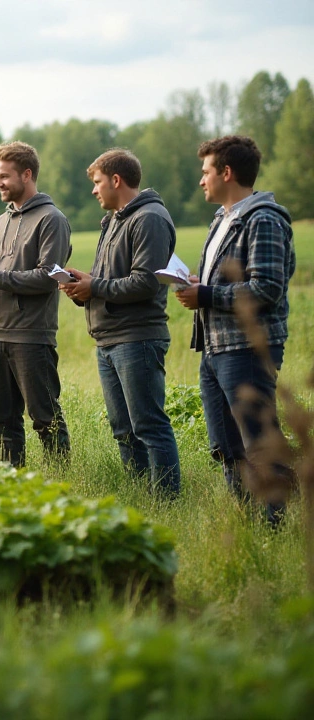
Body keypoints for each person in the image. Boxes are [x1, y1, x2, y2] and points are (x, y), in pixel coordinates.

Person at [175, 135, 295, 523]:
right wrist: (198, 283)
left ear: (227, 172)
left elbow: (267, 287)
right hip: (216, 348)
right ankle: (245, 523)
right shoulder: (223, 219)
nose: (201, 180)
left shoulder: (264, 219)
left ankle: (274, 525)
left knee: (258, 443)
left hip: (247, 348)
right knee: (226, 445)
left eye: (206, 171)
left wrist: (206, 294)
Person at [61, 149, 180, 496]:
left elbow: (146, 282)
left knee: (149, 425)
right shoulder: (114, 220)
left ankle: (167, 500)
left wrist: (93, 285)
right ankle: (143, 496)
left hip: (138, 338)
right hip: (109, 338)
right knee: (122, 428)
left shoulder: (150, 219)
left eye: (98, 183)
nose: (94, 190)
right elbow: (112, 277)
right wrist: (85, 284)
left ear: (116, 180)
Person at [0, 141, 72, 467]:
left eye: (4, 176)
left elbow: (49, 278)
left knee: (44, 416)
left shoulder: (52, 220)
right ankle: (11, 484)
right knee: (2, 418)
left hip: (31, 334)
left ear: (27, 174)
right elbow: (1, 277)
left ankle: (61, 481)